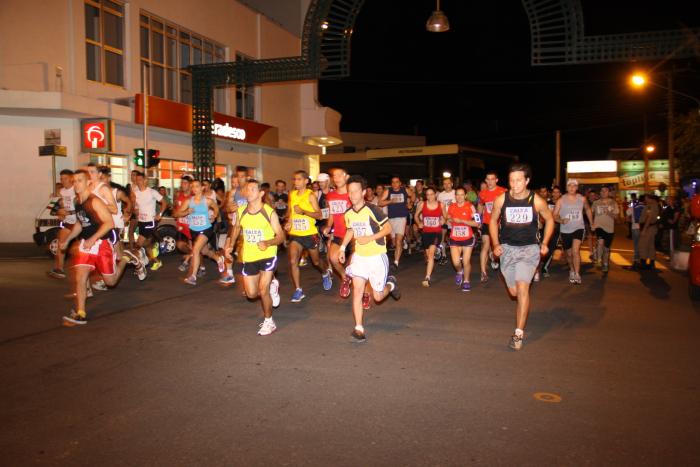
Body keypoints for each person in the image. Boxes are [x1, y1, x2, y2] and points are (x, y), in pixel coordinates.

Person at [61, 170, 146, 326]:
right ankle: (80, 313)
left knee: (111, 282)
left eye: (80, 180)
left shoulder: (95, 202)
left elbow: (109, 223)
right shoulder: (76, 202)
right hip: (86, 246)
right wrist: (68, 239)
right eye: (74, 181)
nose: (76, 184)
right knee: (80, 277)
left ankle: (126, 258)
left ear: (88, 183)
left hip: (101, 245)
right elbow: (81, 222)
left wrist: (93, 239)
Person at [489, 163, 554, 351]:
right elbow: (493, 220)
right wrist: (495, 244)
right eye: (511, 180)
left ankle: (518, 333)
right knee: (514, 292)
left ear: (526, 181)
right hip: (507, 249)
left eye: (518, 180)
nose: (514, 184)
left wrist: (545, 243)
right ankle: (521, 310)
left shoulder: (536, 201)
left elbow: (550, 220)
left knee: (523, 289)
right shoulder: (502, 200)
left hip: (529, 250)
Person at [338, 175, 400, 342]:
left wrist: (370, 238)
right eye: (349, 192)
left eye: (355, 191)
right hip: (359, 257)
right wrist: (343, 248)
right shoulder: (348, 213)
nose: (352, 195)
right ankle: (359, 328)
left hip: (376, 256)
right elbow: (350, 230)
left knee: (378, 297)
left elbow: (388, 229)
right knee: (357, 291)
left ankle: (391, 283)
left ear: (363, 192)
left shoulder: (373, 209)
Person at [227, 179, 285, 335]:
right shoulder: (241, 211)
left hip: (268, 254)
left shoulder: (269, 212)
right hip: (250, 256)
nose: (248, 191)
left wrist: (268, 242)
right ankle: (273, 283)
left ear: (261, 193)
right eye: (247, 189)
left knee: (262, 289)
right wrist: (230, 245)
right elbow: (236, 228)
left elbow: (281, 236)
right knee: (252, 294)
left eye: (252, 189)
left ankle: (269, 321)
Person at [285, 170, 332, 302]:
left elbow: (319, 215)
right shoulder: (292, 194)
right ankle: (298, 290)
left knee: (316, 262)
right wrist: (288, 223)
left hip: (310, 234)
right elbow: (291, 213)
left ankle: (325, 272)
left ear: (306, 181)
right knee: (293, 261)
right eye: (295, 179)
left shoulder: (310, 195)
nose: (296, 182)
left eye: (299, 179)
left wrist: (304, 212)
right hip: (295, 234)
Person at [172, 180, 225, 285]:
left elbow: (216, 208)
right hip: (194, 230)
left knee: (196, 250)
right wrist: (187, 212)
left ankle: (193, 276)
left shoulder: (207, 201)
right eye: (193, 187)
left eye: (197, 186)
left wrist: (214, 216)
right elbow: (177, 214)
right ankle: (219, 258)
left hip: (206, 228)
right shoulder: (188, 201)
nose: (194, 188)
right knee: (204, 251)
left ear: (202, 188)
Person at [553, 179, 592, 284]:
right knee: (569, 254)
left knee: (575, 251)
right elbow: (554, 215)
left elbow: (588, 209)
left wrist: (591, 223)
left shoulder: (582, 199)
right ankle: (571, 269)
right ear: (566, 187)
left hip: (578, 228)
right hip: (565, 230)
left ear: (577, 188)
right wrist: (561, 220)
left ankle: (577, 274)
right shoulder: (561, 200)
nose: (571, 188)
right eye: (569, 185)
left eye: (574, 186)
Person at [323, 167, 353, 298]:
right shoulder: (330, 195)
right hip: (339, 234)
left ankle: (364, 293)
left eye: (339, 175)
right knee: (333, 258)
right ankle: (344, 277)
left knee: (354, 264)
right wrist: (328, 227)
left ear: (346, 177)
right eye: (334, 176)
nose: (337, 178)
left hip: (355, 235)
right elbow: (331, 214)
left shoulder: (353, 193)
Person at [130, 170, 169, 271]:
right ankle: (156, 260)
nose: (138, 181)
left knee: (138, 245)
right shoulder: (135, 193)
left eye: (140, 179)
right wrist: (135, 211)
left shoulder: (152, 192)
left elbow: (164, 202)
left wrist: (159, 214)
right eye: (137, 180)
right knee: (146, 245)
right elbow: (135, 207)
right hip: (141, 222)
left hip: (150, 222)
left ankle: (140, 267)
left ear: (145, 180)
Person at [447, 187, 480, 291]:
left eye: (462, 195)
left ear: (465, 196)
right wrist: (449, 220)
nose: (459, 197)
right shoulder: (451, 206)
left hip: (467, 238)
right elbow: (448, 218)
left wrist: (462, 221)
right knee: (456, 262)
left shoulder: (470, 207)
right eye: (457, 194)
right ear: (455, 196)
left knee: (466, 261)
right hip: (455, 238)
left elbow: (477, 223)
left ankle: (466, 281)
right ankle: (459, 271)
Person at [478, 171, 507, 283]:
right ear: (486, 180)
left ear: (496, 180)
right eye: (488, 179)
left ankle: (502, 267)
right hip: (487, 222)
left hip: (500, 223)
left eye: (492, 179)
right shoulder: (482, 193)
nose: (490, 181)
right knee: (485, 244)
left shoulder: (503, 191)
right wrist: (479, 220)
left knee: (500, 247)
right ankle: (483, 272)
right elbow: (480, 205)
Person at [48, 170, 77, 279]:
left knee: (82, 248)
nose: (63, 180)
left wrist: (69, 212)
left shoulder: (76, 190)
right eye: (61, 178)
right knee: (61, 243)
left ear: (71, 178)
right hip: (68, 222)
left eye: (65, 178)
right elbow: (55, 208)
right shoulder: (61, 192)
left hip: (80, 222)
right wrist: (59, 212)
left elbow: (83, 208)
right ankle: (59, 269)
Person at [414, 187, 444, 287]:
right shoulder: (422, 204)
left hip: (436, 233)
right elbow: (416, 215)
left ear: (435, 194)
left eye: (431, 194)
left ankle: (427, 277)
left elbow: (446, 216)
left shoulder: (441, 205)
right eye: (427, 195)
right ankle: (436, 252)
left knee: (431, 255)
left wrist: (443, 220)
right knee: (428, 256)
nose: (430, 196)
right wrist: (419, 223)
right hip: (426, 233)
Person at [380, 176, 410, 270]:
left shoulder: (405, 190)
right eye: (393, 182)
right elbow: (380, 203)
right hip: (391, 218)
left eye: (397, 182)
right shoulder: (388, 191)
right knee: (393, 242)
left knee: (398, 241)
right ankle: (402, 241)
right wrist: (390, 201)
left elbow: (412, 195)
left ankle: (396, 262)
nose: (394, 184)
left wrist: (410, 203)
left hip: (401, 218)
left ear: (400, 183)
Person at [591, 186, 620, 273]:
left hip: (609, 228)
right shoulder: (596, 203)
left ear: (608, 193)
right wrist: (591, 224)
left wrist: (609, 212)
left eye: (605, 191)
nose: (603, 192)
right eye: (602, 191)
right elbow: (590, 213)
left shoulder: (613, 203)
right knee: (600, 242)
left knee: (606, 249)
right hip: (599, 226)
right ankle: (599, 260)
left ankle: (606, 264)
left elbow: (617, 217)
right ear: (600, 193)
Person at [540, 185, 562, 277]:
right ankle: (537, 266)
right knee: (541, 247)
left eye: (557, 192)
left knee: (551, 249)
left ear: (560, 194)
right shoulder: (547, 202)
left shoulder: (563, 204)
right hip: (545, 229)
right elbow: (540, 213)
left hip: (556, 230)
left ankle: (544, 268)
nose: (555, 194)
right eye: (554, 192)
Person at [638, 195, 660, 269]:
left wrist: (644, 229)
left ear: (650, 198)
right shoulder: (656, 205)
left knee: (643, 245)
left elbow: (649, 218)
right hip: (652, 227)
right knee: (651, 246)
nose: (645, 200)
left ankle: (643, 263)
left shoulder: (651, 206)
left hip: (648, 228)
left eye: (646, 198)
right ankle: (651, 263)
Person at [437, 177, 456, 254]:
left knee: (454, 237)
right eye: (445, 184)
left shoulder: (456, 193)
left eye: (448, 183)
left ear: (452, 184)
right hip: (444, 218)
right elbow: (438, 208)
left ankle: (456, 253)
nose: (447, 185)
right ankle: (443, 254)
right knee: (442, 236)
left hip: (454, 219)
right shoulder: (440, 195)